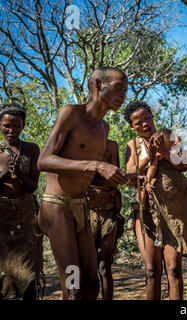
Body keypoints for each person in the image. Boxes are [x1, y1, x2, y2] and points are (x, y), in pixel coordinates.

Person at [37, 66, 133, 300]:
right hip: (57, 207)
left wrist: (121, 179)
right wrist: (96, 166)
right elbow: (44, 160)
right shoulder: (71, 113)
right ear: (99, 85)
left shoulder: (104, 127)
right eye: (119, 87)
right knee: (73, 286)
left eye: (126, 90)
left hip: (82, 207)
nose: (123, 95)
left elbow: (91, 176)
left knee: (91, 284)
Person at [124, 102, 187, 300]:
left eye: (148, 117)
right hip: (146, 211)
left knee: (173, 268)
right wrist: (149, 158)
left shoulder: (169, 136)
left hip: (174, 211)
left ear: (153, 116)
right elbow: (129, 174)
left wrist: (164, 153)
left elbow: (184, 164)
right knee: (151, 271)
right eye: (138, 122)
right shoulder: (133, 145)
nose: (145, 124)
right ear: (132, 127)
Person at [0, 103, 42, 300]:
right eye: (7, 125)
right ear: (0, 125)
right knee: (3, 270)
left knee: (28, 269)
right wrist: (3, 171)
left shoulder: (31, 149)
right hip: (2, 217)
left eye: (16, 126)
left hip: (25, 215)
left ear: (23, 126)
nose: (11, 130)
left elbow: (33, 186)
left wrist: (19, 173)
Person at [86, 139, 125, 300]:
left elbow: (115, 179)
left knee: (104, 266)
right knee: (85, 266)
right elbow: (78, 177)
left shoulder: (111, 146)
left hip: (108, 211)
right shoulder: (80, 143)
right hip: (84, 212)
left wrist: (93, 178)